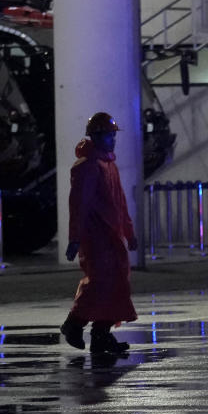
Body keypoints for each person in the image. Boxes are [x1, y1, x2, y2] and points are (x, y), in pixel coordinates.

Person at [59, 112, 138, 354]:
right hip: (96, 236)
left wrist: (128, 231)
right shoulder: (88, 167)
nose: (113, 139)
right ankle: (74, 323)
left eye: (114, 135)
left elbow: (120, 203)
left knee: (117, 284)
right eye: (109, 135)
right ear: (96, 136)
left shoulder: (108, 164)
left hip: (111, 237)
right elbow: (79, 205)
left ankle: (101, 333)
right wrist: (75, 238)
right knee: (99, 282)